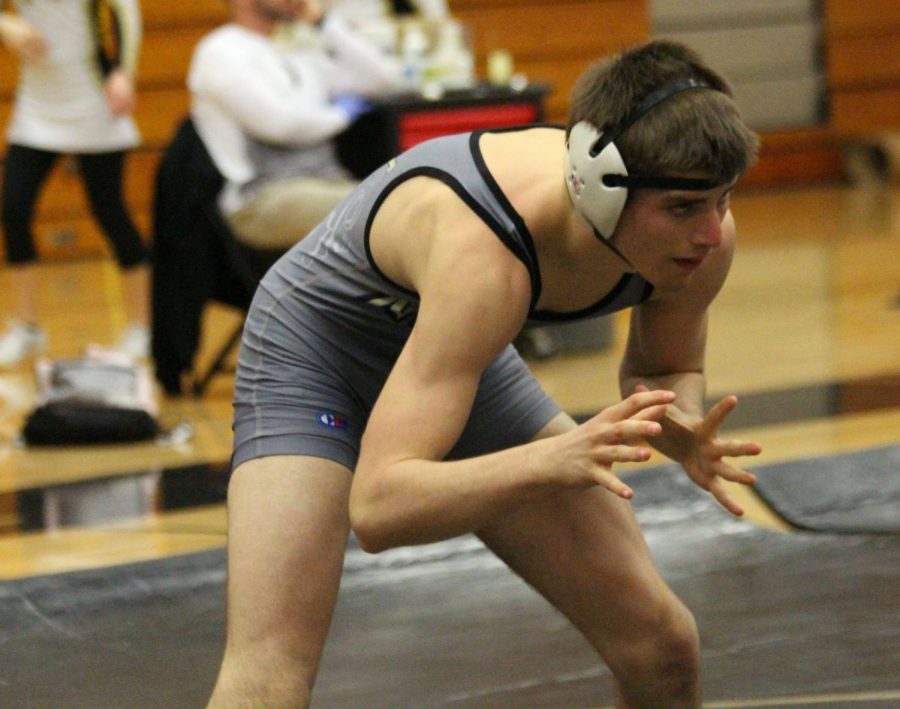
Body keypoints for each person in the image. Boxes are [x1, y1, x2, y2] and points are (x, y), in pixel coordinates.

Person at [210, 39, 763, 707]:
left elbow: (665, 363)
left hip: (453, 350)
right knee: (269, 675)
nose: (710, 233)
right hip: (316, 349)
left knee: (662, 644)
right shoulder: (485, 256)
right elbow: (380, 507)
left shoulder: (704, 241)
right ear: (597, 185)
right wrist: (551, 458)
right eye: (683, 209)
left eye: (722, 201)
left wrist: (678, 419)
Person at [0, 0, 150, 367]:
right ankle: (26, 326)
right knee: (13, 208)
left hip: (93, 100)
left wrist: (124, 73)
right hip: (38, 105)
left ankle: (142, 327)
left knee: (110, 212)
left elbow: (125, 11)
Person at [187, 0, 401, 252]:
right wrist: (340, 115)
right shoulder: (220, 50)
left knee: (409, 198)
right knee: (387, 209)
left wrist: (324, 23)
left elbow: (382, 79)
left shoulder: (295, 50)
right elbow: (279, 125)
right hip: (261, 198)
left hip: (326, 182)